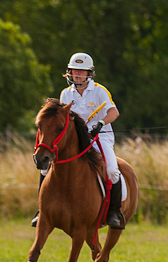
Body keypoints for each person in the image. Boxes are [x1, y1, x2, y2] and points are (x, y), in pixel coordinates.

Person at [32, 52, 126, 229]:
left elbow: (114, 112)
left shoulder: (99, 90)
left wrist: (100, 122)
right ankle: (41, 211)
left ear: (89, 73)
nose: (78, 74)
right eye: (75, 70)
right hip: (74, 140)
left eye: (82, 71)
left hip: (100, 136)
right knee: (45, 169)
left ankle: (114, 211)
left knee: (112, 169)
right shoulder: (66, 94)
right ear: (69, 72)